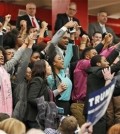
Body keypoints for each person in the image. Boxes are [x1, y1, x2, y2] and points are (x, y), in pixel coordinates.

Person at [84, 54, 120, 134]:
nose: (108, 63)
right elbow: (115, 67)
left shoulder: (101, 76)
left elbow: (113, 91)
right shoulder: (95, 71)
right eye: (105, 61)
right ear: (98, 64)